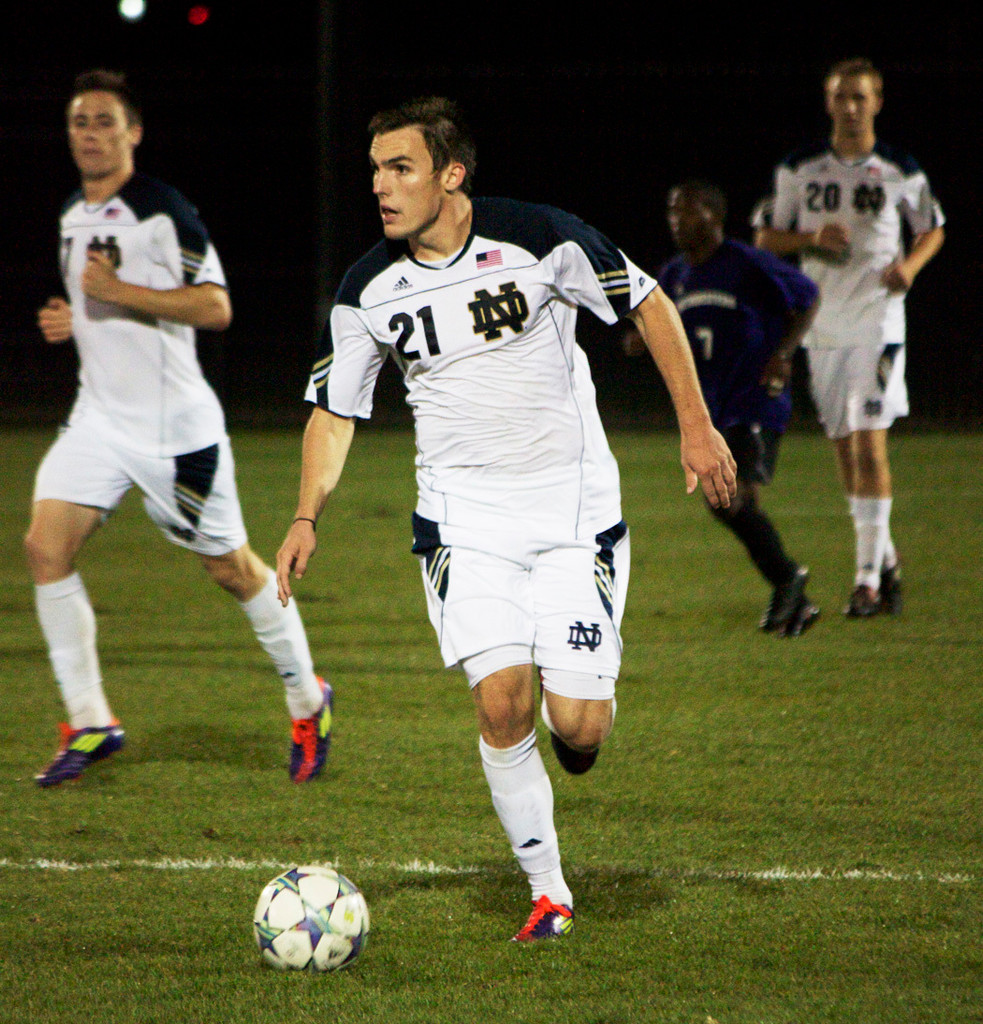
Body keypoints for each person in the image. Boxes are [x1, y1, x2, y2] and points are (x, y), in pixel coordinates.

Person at [276, 96, 736, 942]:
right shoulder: (365, 290)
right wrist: (307, 514)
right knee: (500, 703)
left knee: (579, 726)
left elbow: (647, 305)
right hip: (463, 526)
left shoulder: (542, 237)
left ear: (451, 175)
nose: (380, 185)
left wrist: (696, 428)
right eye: (375, 169)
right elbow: (334, 413)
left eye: (400, 167)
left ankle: (578, 725)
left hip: (572, 516)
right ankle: (549, 893)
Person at [26, 69, 331, 788]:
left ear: (133, 132)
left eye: (104, 121)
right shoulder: (73, 211)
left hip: (173, 434)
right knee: (45, 548)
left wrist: (114, 294)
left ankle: (307, 699)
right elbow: (106, 311)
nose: (90, 134)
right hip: (98, 420)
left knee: (231, 568)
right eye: (79, 121)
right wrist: (78, 318)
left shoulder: (163, 213)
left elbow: (216, 307)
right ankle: (90, 720)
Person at [757, 58, 945, 617]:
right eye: (841, 97)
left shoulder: (898, 169)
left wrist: (910, 266)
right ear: (828, 101)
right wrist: (810, 238)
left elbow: (932, 228)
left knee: (869, 438)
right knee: (844, 445)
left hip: (879, 320)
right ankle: (884, 561)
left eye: (860, 97)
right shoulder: (800, 168)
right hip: (821, 322)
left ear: (878, 101)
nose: (850, 107)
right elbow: (766, 238)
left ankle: (865, 581)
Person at [656, 180, 820, 636]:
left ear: (713, 214)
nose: (677, 220)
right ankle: (795, 599)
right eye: (672, 211)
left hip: (755, 399)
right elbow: (657, 326)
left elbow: (807, 296)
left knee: (729, 497)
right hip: (713, 410)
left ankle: (789, 579)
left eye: (686, 209)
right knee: (732, 499)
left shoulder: (745, 262)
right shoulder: (674, 276)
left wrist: (784, 353)